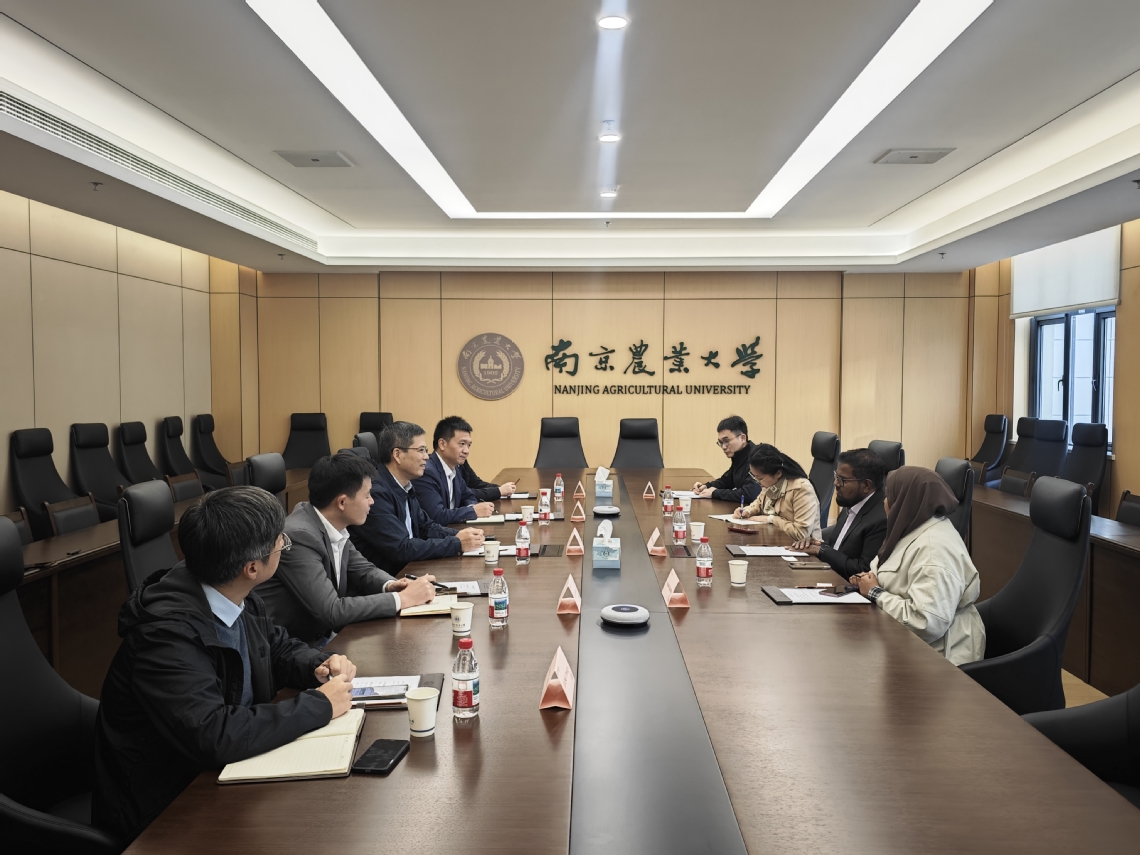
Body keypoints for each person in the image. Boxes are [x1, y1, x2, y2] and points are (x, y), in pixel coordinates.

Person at [93, 486, 357, 845]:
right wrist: (320, 705)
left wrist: (318, 664)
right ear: (252, 567)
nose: (284, 543)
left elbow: (277, 648)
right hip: (166, 808)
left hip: (225, 773)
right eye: (280, 541)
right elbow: (213, 734)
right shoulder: (165, 638)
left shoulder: (234, 593)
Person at [258, 453, 440, 646]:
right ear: (342, 502)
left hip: (323, 637)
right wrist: (402, 599)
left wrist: (392, 585)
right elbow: (332, 610)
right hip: (294, 648)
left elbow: (364, 570)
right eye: (367, 495)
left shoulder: (332, 523)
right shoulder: (300, 537)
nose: (372, 501)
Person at [851, 466, 985, 665]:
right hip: (902, 643)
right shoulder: (912, 528)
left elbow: (925, 623)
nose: (885, 501)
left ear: (906, 500)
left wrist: (875, 592)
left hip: (938, 661)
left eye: (889, 495)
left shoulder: (934, 550)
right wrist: (868, 581)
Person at [349, 421, 484, 573]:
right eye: (421, 450)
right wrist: (456, 543)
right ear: (397, 455)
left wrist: (461, 535)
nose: (426, 457)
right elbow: (402, 548)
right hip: (391, 578)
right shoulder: (376, 494)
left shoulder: (405, 485)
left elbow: (426, 527)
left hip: (410, 570)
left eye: (426, 450)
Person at [792, 448, 887, 578]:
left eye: (842, 480)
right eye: (836, 477)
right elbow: (838, 548)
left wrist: (822, 551)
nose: (835, 483)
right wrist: (816, 544)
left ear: (866, 485)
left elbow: (864, 570)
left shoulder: (881, 519)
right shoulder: (852, 503)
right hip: (829, 575)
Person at [417, 416, 497, 525]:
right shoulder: (427, 472)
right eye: (462, 444)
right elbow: (437, 516)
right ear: (442, 444)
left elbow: (468, 495)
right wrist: (473, 511)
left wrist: (472, 507)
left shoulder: (455, 468)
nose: (466, 451)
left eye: (469, 445)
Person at [734, 443, 822, 540]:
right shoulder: (771, 483)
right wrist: (747, 511)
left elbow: (801, 534)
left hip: (803, 546)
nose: (757, 482)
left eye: (760, 478)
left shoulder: (801, 489)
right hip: (775, 540)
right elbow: (759, 502)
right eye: (754, 477)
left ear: (778, 474)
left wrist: (772, 519)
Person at [693, 415, 760, 503]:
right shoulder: (739, 456)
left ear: (742, 438)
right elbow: (727, 481)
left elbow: (750, 494)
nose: (723, 447)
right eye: (720, 442)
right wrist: (706, 486)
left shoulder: (757, 458)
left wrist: (715, 493)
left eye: (726, 441)